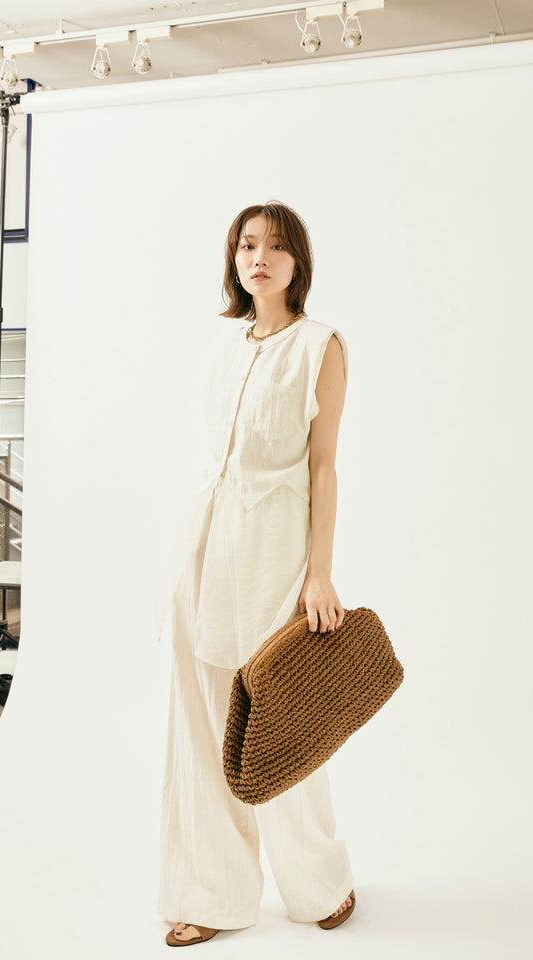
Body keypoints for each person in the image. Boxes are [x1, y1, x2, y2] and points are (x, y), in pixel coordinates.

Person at [155, 200, 355, 946]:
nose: (258, 258)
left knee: (281, 721)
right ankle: (210, 895)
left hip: (274, 553)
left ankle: (321, 882)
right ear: (233, 259)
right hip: (206, 549)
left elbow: (323, 466)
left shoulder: (320, 345)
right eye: (246, 245)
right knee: (204, 725)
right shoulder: (225, 348)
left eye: (274, 246)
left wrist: (319, 574)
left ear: (297, 260)